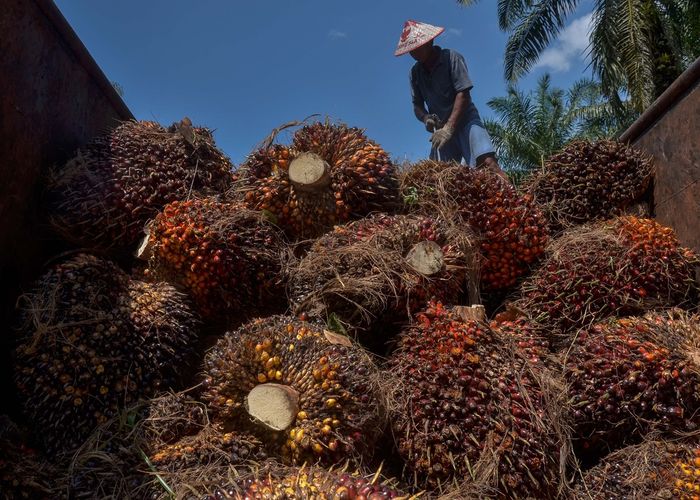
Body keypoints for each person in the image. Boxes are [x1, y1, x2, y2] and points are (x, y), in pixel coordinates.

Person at [395, 20, 504, 175]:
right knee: (436, 175)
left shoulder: (451, 58)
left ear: (430, 42)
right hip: (440, 130)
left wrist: (450, 128)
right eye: (411, 50)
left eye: (417, 47)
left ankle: (517, 197)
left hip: (465, 121)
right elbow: (417, 105)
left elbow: (463, 94)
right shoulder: (415, 73)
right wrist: (425, 118)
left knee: (486, 162)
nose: (414, 53)